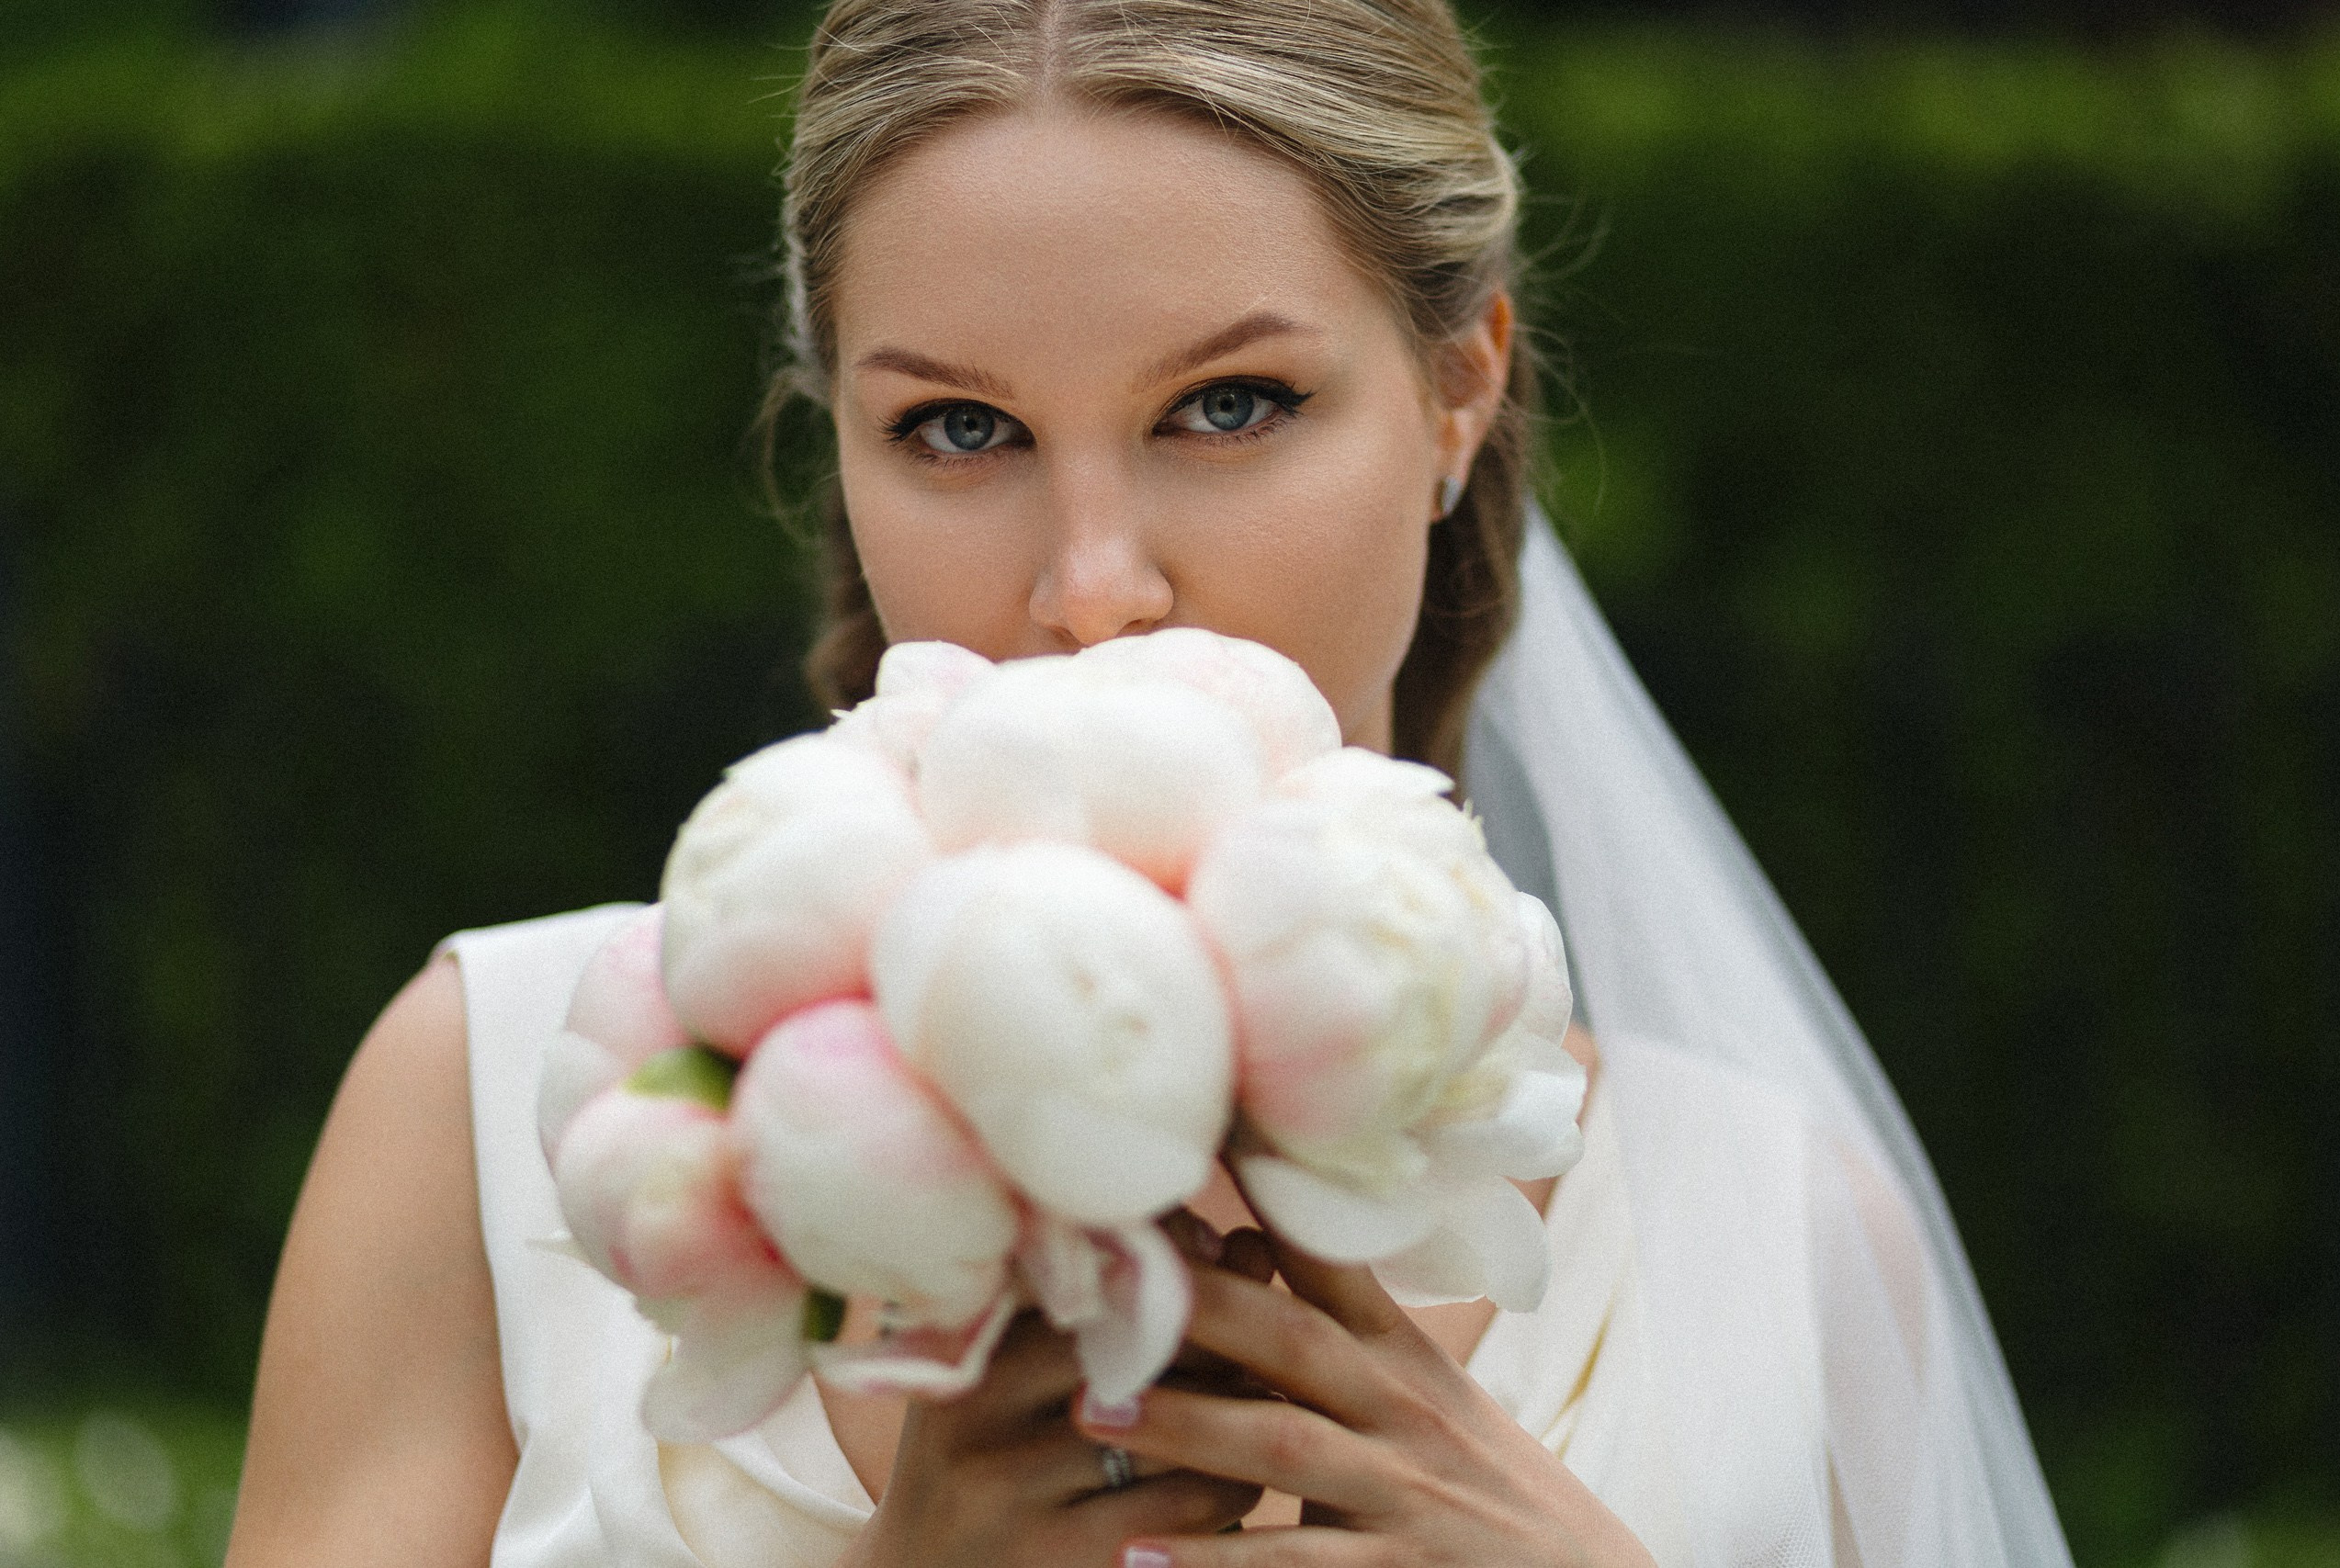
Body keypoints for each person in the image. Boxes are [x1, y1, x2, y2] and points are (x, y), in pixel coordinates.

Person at [226, 3, 2077, 1565]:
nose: (1091, 580)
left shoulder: (1770, 1237)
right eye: (959, 429)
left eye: (1227, 405)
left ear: (1453, 392)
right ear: (838, 446)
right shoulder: (492, 1102)